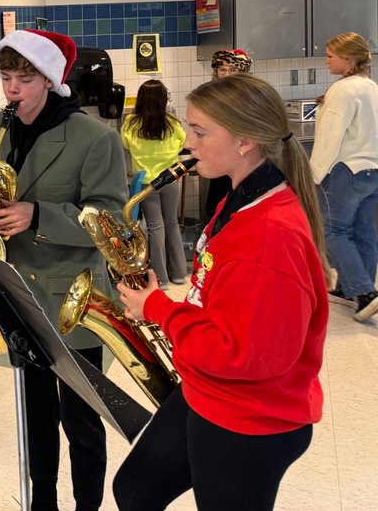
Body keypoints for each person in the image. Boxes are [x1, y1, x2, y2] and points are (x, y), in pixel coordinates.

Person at [113, 73, 329, 511]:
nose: (186, 143)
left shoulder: (268, 237)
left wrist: (159, 309)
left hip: (249, 418)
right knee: (134, 490)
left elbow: (245, 354)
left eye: (199, 132)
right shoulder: (241, 198)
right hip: (209, 391)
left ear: (245, 141)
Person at [0, 29, 127, 510]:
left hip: (74, 300)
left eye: (24, 79)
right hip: (20, 292)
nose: (12, 89)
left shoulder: (96, 138)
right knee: (36, 413)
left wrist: (37, 215)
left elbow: (110, 221)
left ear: (49, 79)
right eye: (6, 78)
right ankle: (42, 500)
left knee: (81, 421)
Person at [309, 32, 378, 320]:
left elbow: (330, 138)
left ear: (348, 59)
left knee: (333, 232)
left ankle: (364, 293)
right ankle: (352, 290)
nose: (326, 61)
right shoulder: (371, 86)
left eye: (330, 56)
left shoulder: (343, 90)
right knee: (364, 231)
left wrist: (313, 175)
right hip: (372, 171)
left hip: (346, 170)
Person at [121, 79, 188, 287]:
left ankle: (160, 278)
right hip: (170, 178)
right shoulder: (172, 122)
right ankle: (179, 274)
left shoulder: (131, 123)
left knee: (155, 226)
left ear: (141, 99)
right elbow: (181, 144)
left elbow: (125, 144)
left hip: (147, 184)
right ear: (163, 100)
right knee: (172, 223)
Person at [203, 48, 253, 221]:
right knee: (215, 206)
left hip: (243, 158)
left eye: (232, 70)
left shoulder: (250, 96)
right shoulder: (211, 95)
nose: (226, 74)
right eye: (222, 69)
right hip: (218, 157)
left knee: (240, 207)